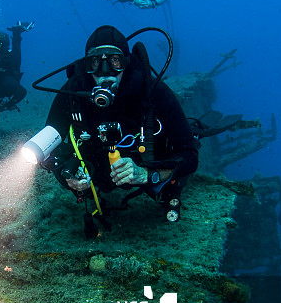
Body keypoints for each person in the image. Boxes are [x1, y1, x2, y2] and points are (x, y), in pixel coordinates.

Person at [37, 25, 198, 236]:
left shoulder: (153, 91)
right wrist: (67, 177)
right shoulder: (72, 91)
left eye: (115, 61)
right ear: (86, 67)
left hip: (147, 164)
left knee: (173, 174)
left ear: (127, 63)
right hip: (98, 171)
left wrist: (147, 174)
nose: (106, 72)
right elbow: (48, 147)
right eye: (95, 62)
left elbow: (190, 155)